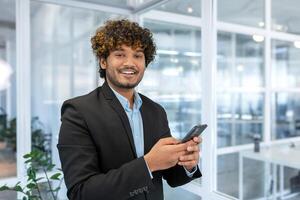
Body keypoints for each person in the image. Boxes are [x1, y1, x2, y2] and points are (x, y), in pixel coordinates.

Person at [57, 19, 202, 200]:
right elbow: (81, 192)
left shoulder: (156, 111)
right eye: (120, 54)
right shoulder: (78, 112)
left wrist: (187, 164)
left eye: (138, 55)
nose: (130, 63)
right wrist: (147, 164)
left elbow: (171, 176)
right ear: (103, 61)